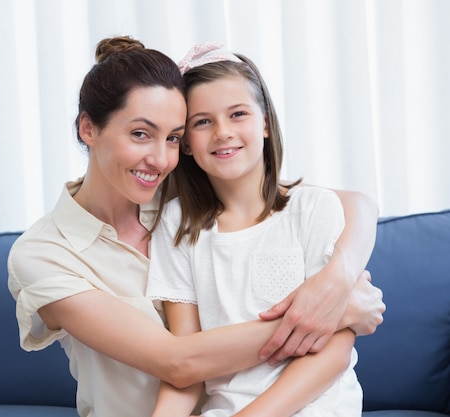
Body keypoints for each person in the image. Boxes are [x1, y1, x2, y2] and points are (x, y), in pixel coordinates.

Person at [7, 36, 384, 417]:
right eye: (140, 133)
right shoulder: (43, 254)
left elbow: (354, 203)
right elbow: (178, 363)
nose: (159, 158)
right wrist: (334, 312)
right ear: (88, 128)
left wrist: (339, 277)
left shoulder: (179, 194)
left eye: (173, 137)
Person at [146, 42, 369, 417]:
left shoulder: (313, 209)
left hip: (318, 407)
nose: (222, 132)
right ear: (185, 143)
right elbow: (189, 366)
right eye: (203, 121)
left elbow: (333, 353)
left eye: (237, 114)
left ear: (265, 122)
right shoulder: (176, 224)